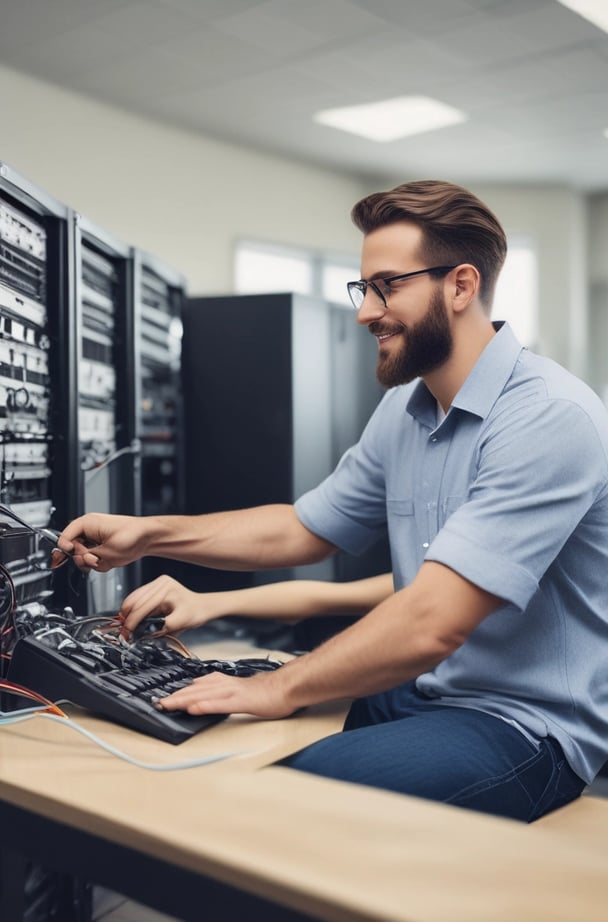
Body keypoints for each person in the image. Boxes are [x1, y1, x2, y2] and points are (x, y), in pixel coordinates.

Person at [54, 180, 608, 822]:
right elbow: (302, 529)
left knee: (288, 796)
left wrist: (278, 687)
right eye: (364, 288)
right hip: (428, 691)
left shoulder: (548, 417)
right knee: (223, 742)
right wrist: (150, 534)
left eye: (387, 286)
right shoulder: (406, 408)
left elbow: (434, 619)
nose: (365, 313)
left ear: (460, 286)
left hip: (523, 724)